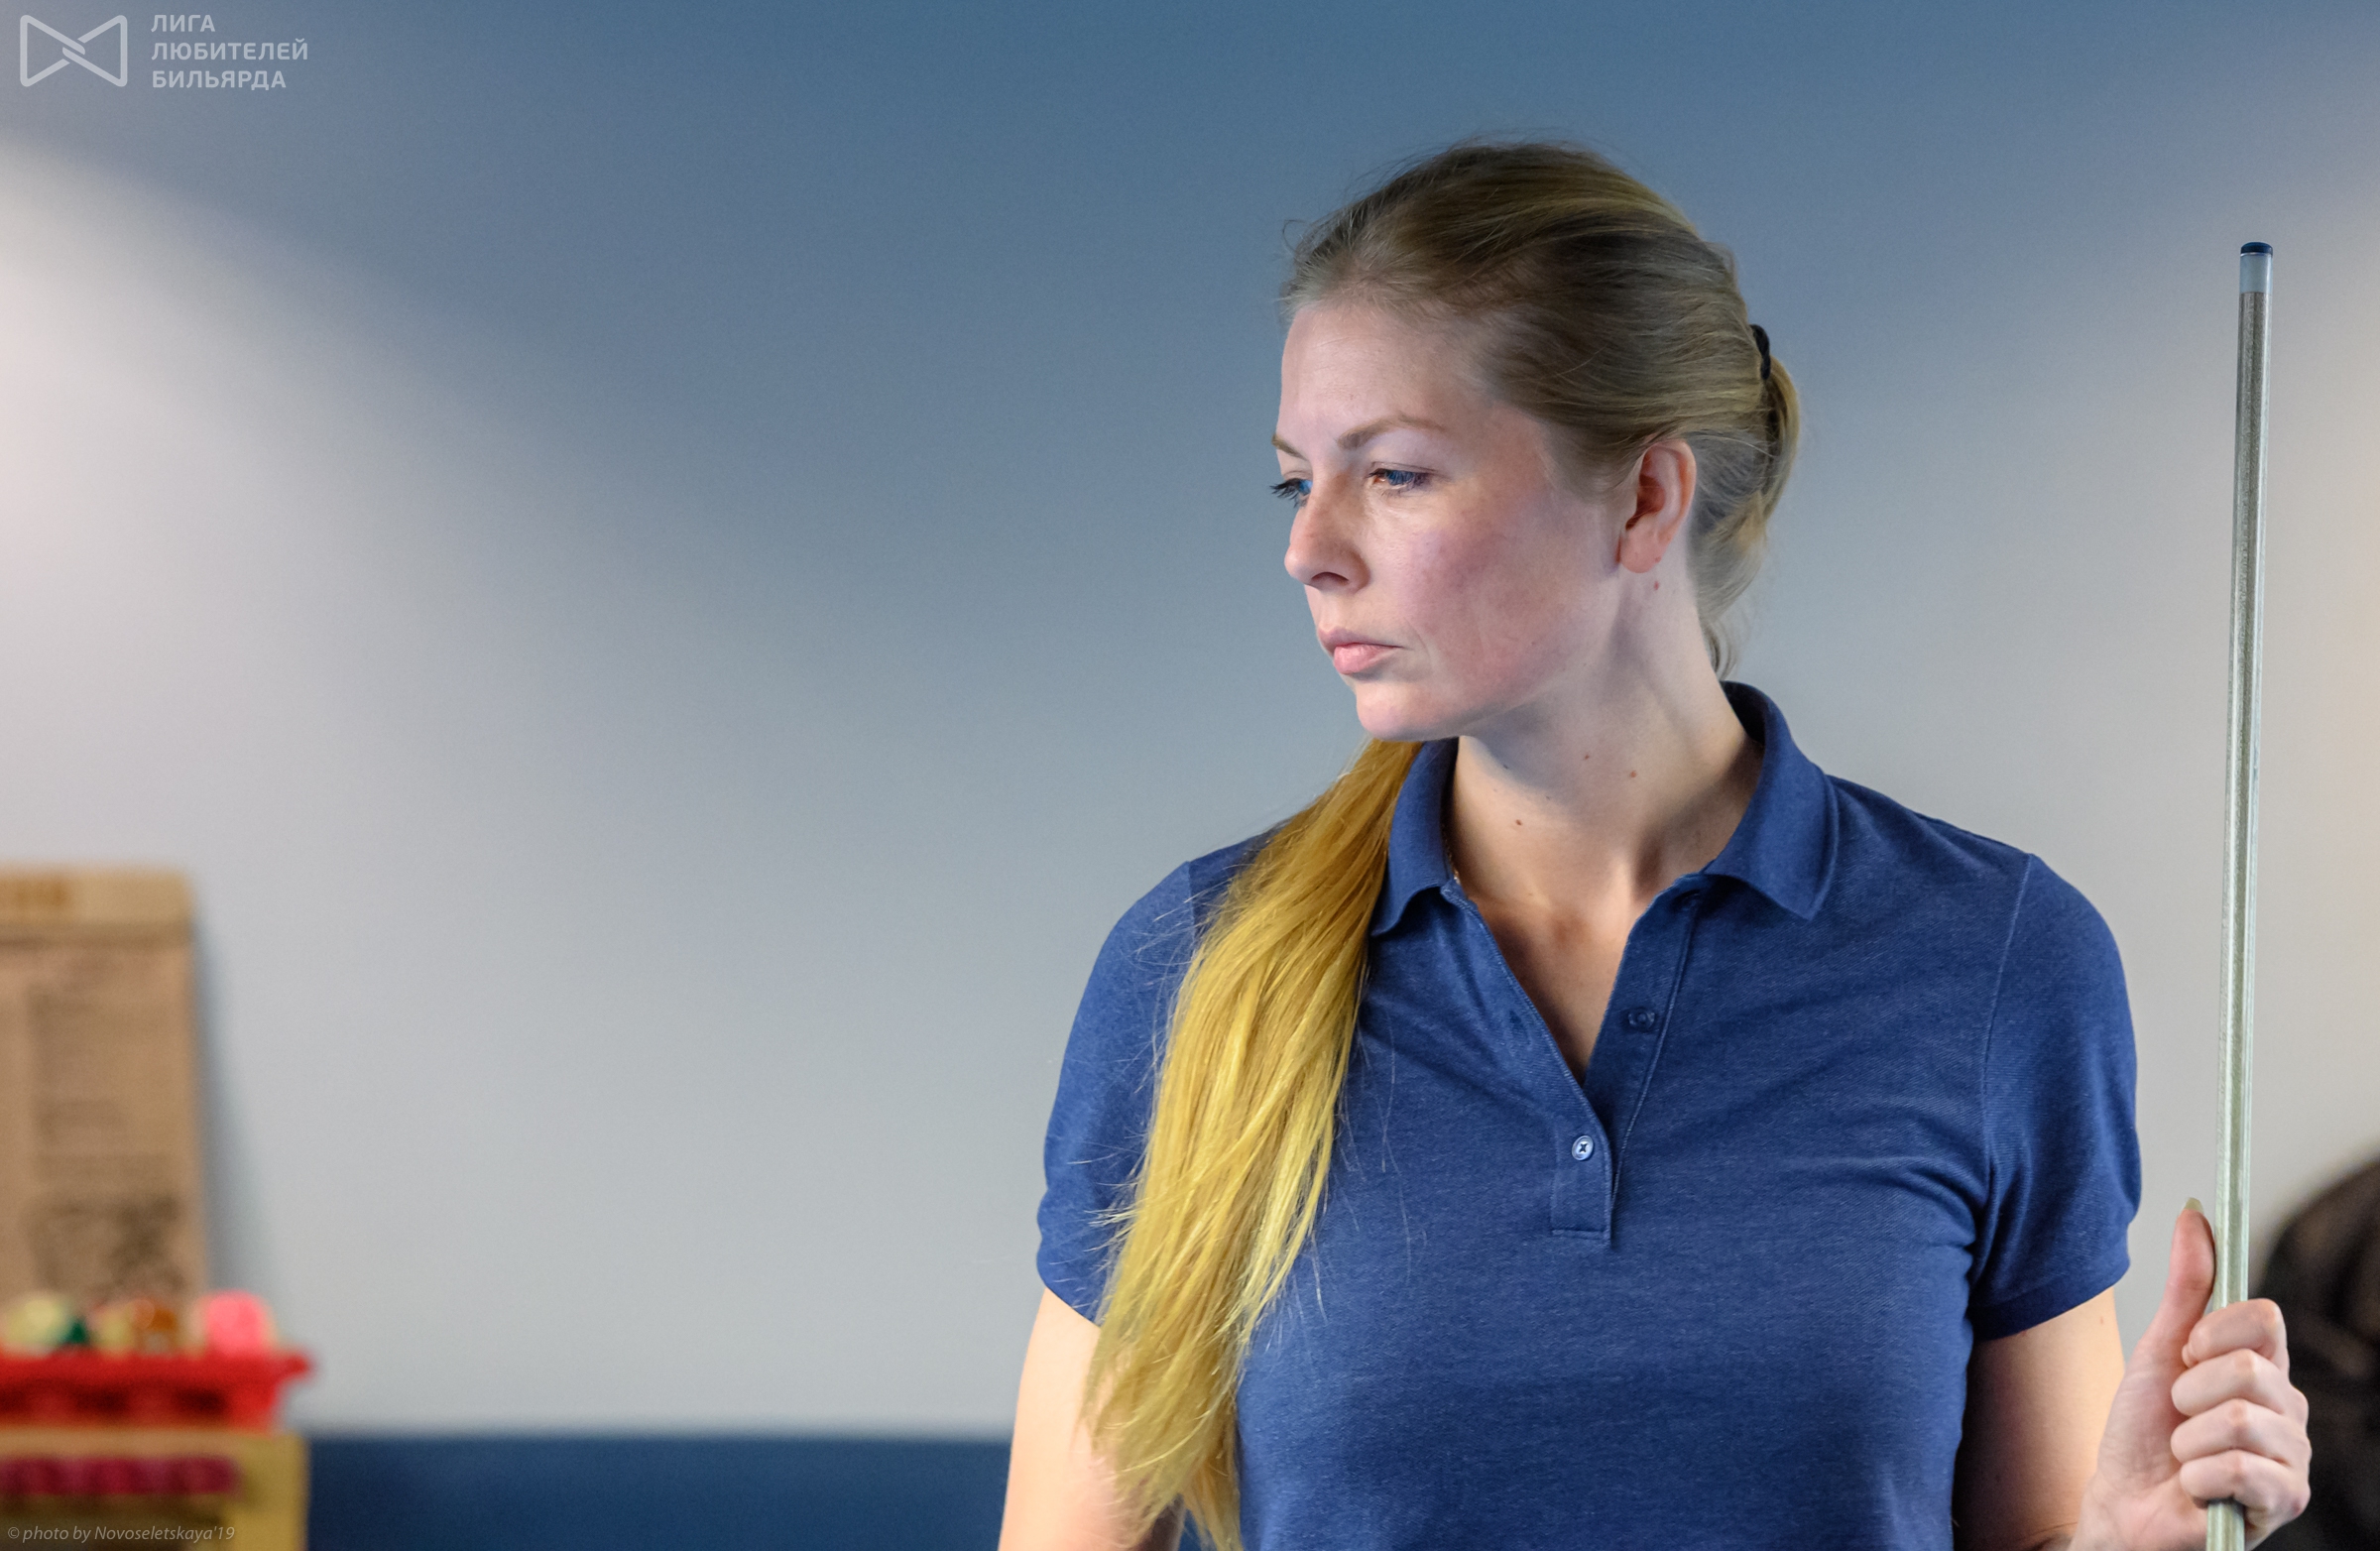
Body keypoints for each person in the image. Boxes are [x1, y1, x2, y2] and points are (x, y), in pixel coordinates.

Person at [998, 142, 2313, 1550]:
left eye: (1394, 473)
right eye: (1293, 483)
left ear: (1643, 499)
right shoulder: (1199, 966)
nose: (1309, 547)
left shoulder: (1998, 961)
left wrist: (2126, 1543)